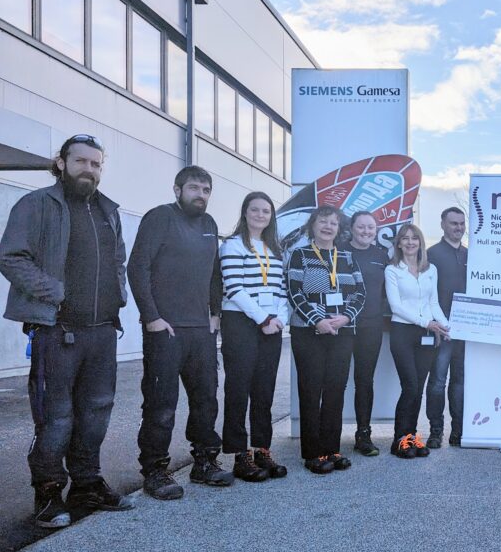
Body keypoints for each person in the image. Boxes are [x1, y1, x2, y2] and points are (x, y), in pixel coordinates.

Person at [0, 134, 133, 527]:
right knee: (56, 418)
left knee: (96, 413)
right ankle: (48, 492)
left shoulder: (108, 210)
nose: (88, 169)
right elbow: (10, 256)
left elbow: (118, 261)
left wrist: (118, 297)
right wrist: (53, 291)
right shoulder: (37, 204)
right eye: (81, 161)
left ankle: (87, 485)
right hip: (56, 332)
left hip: (102, 330)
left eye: (95, 164)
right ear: (61, 163)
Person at [129, 165, 230, 500]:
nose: (200, 195)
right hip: (166, 331)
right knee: (161, 404)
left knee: (206, 400)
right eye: (194, 188)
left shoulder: (209, 224)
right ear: (177, 189)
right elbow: (138, 267)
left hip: (201, 330)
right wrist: (152, 318)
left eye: (206, 190)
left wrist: (214, 314)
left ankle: (205, 462)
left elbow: (215, 273)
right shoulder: (160, 217)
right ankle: (155, 471)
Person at [287, 205, 365, 474]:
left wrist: (345, 317)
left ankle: (332, 448)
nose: (328, 227)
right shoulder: (300, 254)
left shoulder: (347, 257)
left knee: (335, 390)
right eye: (323, 221)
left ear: (338, 228)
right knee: (311, 391)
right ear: (313, 225)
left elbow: (360, 293)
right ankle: (312, 453)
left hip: (342, 332)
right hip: (308, 332)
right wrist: (317, 320)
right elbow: (294, 292)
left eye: (333, 223)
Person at [219, 192, 289, 482]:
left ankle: (262, 449)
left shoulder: (275, 248)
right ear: (245, 213)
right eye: (255, 210)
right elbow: (234, 288)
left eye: (266, 211)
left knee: (264, 389)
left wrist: (279, 319)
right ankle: (240, 455)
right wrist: (263, 319)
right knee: (239, 389)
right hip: (241, 322)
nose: (261, 215)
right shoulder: (232, 245)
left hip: (271, 324)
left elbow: (282, 289)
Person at [385, 223, 449, 458]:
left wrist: (447, 327)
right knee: (410, 386)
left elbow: (434, 303)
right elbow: (396, 306)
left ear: (421, 243)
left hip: (427, 335)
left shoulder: (430, 269)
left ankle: (410, 438)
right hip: (403, 332)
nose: (410, 242)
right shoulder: (392, 270)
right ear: (399, 244)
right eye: (405, 238)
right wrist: (427, 323)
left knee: (418, 389)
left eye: (415, 238)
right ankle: (399, 440)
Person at [342, 211, 390, 456]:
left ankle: (363, 434)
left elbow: (387, 292)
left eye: (371, 227)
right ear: (351, 228)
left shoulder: (381, 256)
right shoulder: (338, 251)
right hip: (341, 326)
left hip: (371, 327)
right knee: (336, 381)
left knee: (364, 381)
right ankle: (328, 434)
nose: (366, 231)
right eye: (361, 226)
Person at [425, 207, 467, 448]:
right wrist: (436, 324)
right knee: (438, 381)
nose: (458, 227)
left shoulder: (470, 255)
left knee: (460, 381)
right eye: (453, 223)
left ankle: (458, 431)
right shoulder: (431, 255)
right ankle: (436, 431)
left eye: (461, 223)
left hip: (467, 329)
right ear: (442, 224)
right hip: (441, 330)